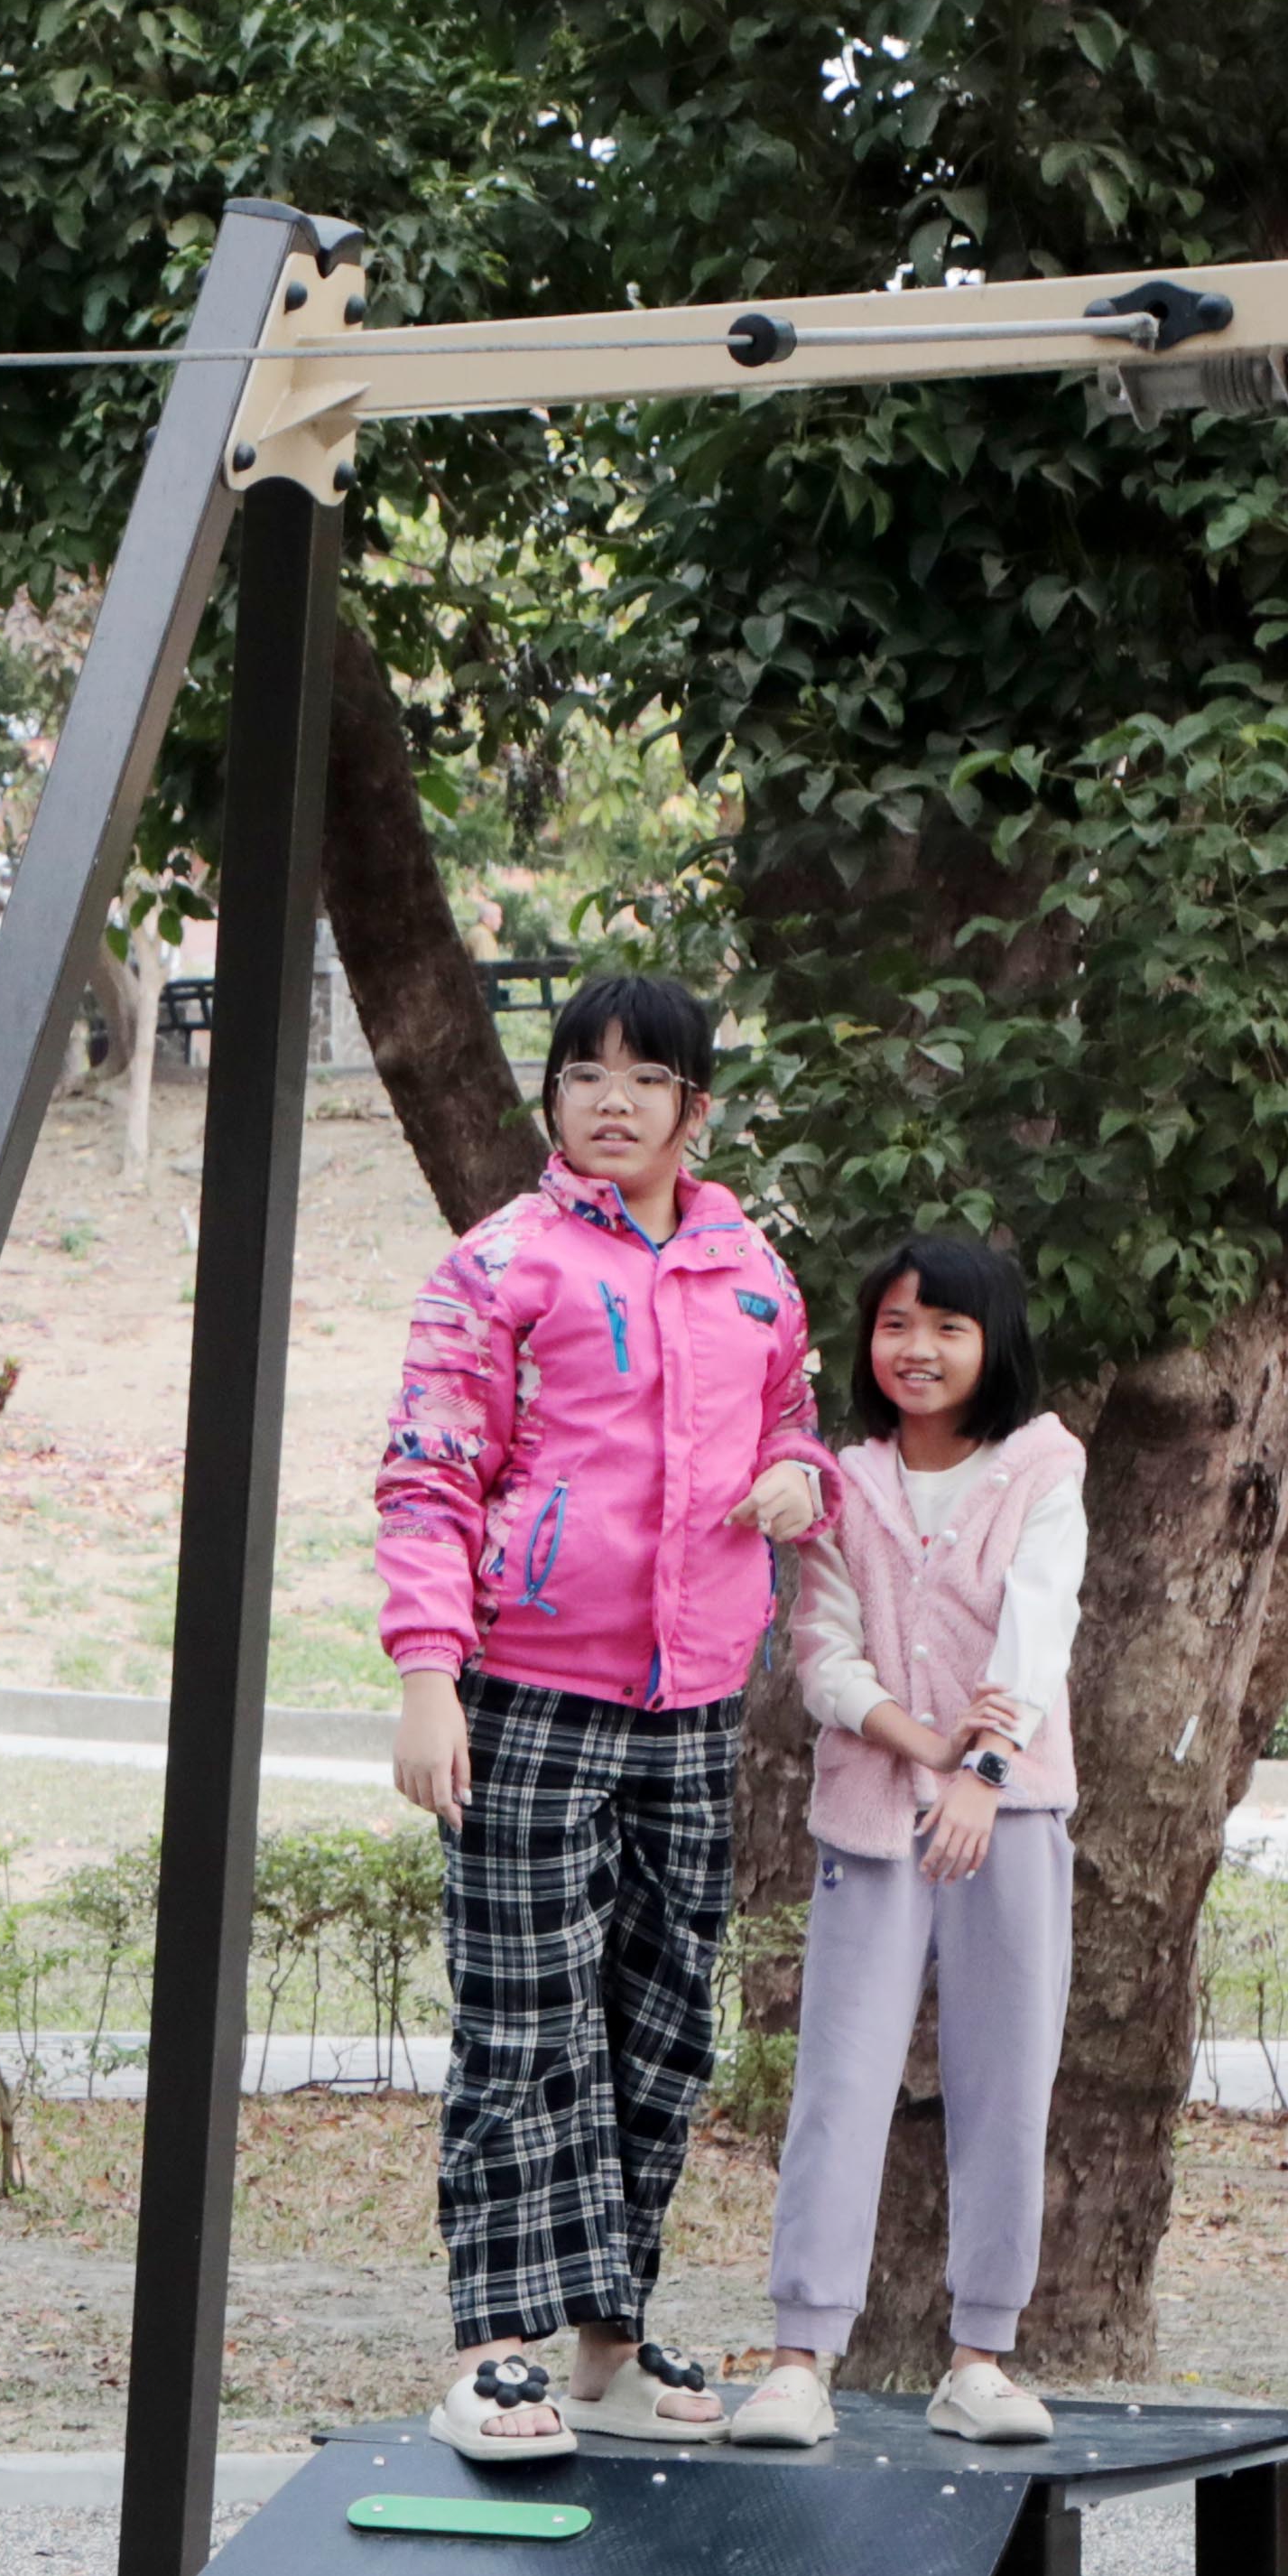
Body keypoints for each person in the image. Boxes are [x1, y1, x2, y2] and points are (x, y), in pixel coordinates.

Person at [380, 973, 826, 2451]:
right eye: (583, 1075)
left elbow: (790, 1418)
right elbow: (431, 1477)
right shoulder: (498, 1266)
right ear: (555, 1100)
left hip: (694, 1709)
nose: (611, 1100)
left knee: (660, 2029)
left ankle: (609, 2347)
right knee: (523, 2024)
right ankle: (490, 2347)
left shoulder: (755, 1271)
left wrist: (798, 1474)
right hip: (524, 1693)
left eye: (645, 1077)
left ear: (696, 1106)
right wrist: (428, 1678)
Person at [723, 1232, 1080, 2451]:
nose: (916, 1349)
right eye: (893, 1325)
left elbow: (1037, 1632)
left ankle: (982, 2350)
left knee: (1006, 2078)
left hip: (1013, 1813)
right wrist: (922, 1749)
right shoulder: (842, 1479)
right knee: (842, 2079)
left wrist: (981, 1770)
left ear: (993, 1344)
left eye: (946, 1327)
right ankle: (798, 2355)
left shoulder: (1042, 1462)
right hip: (873, 1816)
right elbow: (821, 1653)